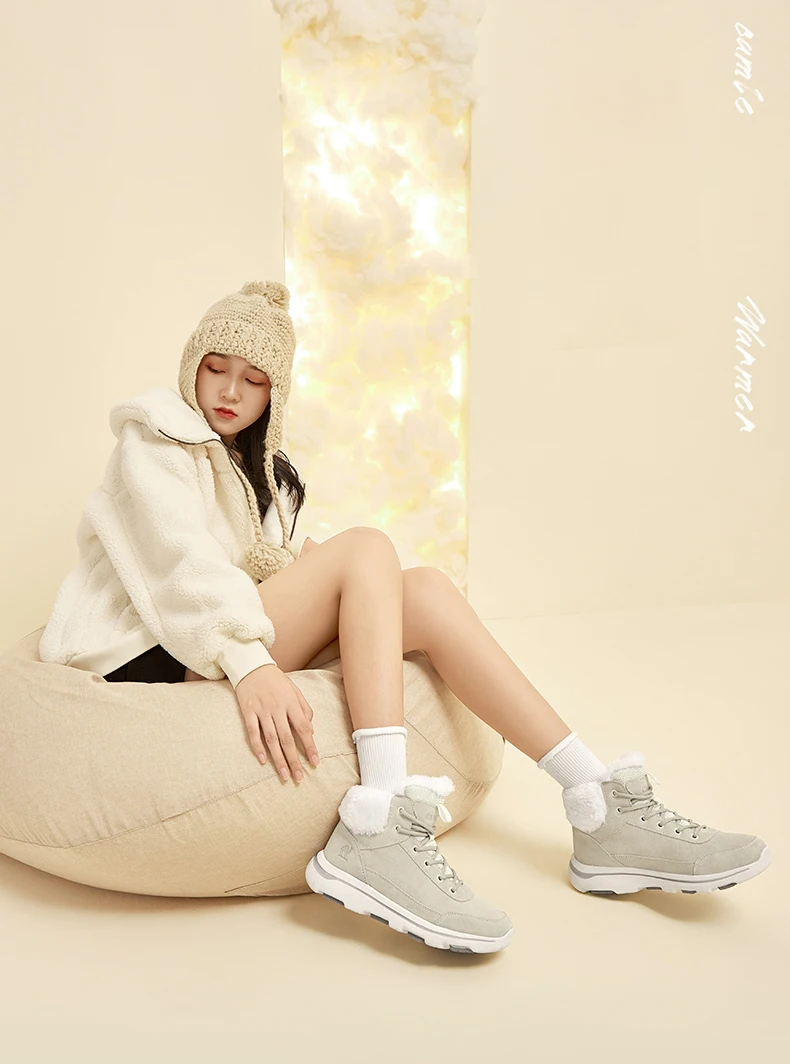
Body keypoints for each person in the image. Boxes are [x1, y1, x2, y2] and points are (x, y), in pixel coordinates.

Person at [39, 280, 771, 955]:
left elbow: (260, 564)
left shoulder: (262, 471)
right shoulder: (155, 439)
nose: (231, 391)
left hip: (213, 634)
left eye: (254, 379)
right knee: (367, 549)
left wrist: (317, 577)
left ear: (275, 393)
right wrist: (252, 663)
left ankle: (595, 801)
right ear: (191, 367)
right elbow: (181, 569)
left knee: (421, 589)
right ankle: (380, 819)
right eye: (216, 368)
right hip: (153, 653)